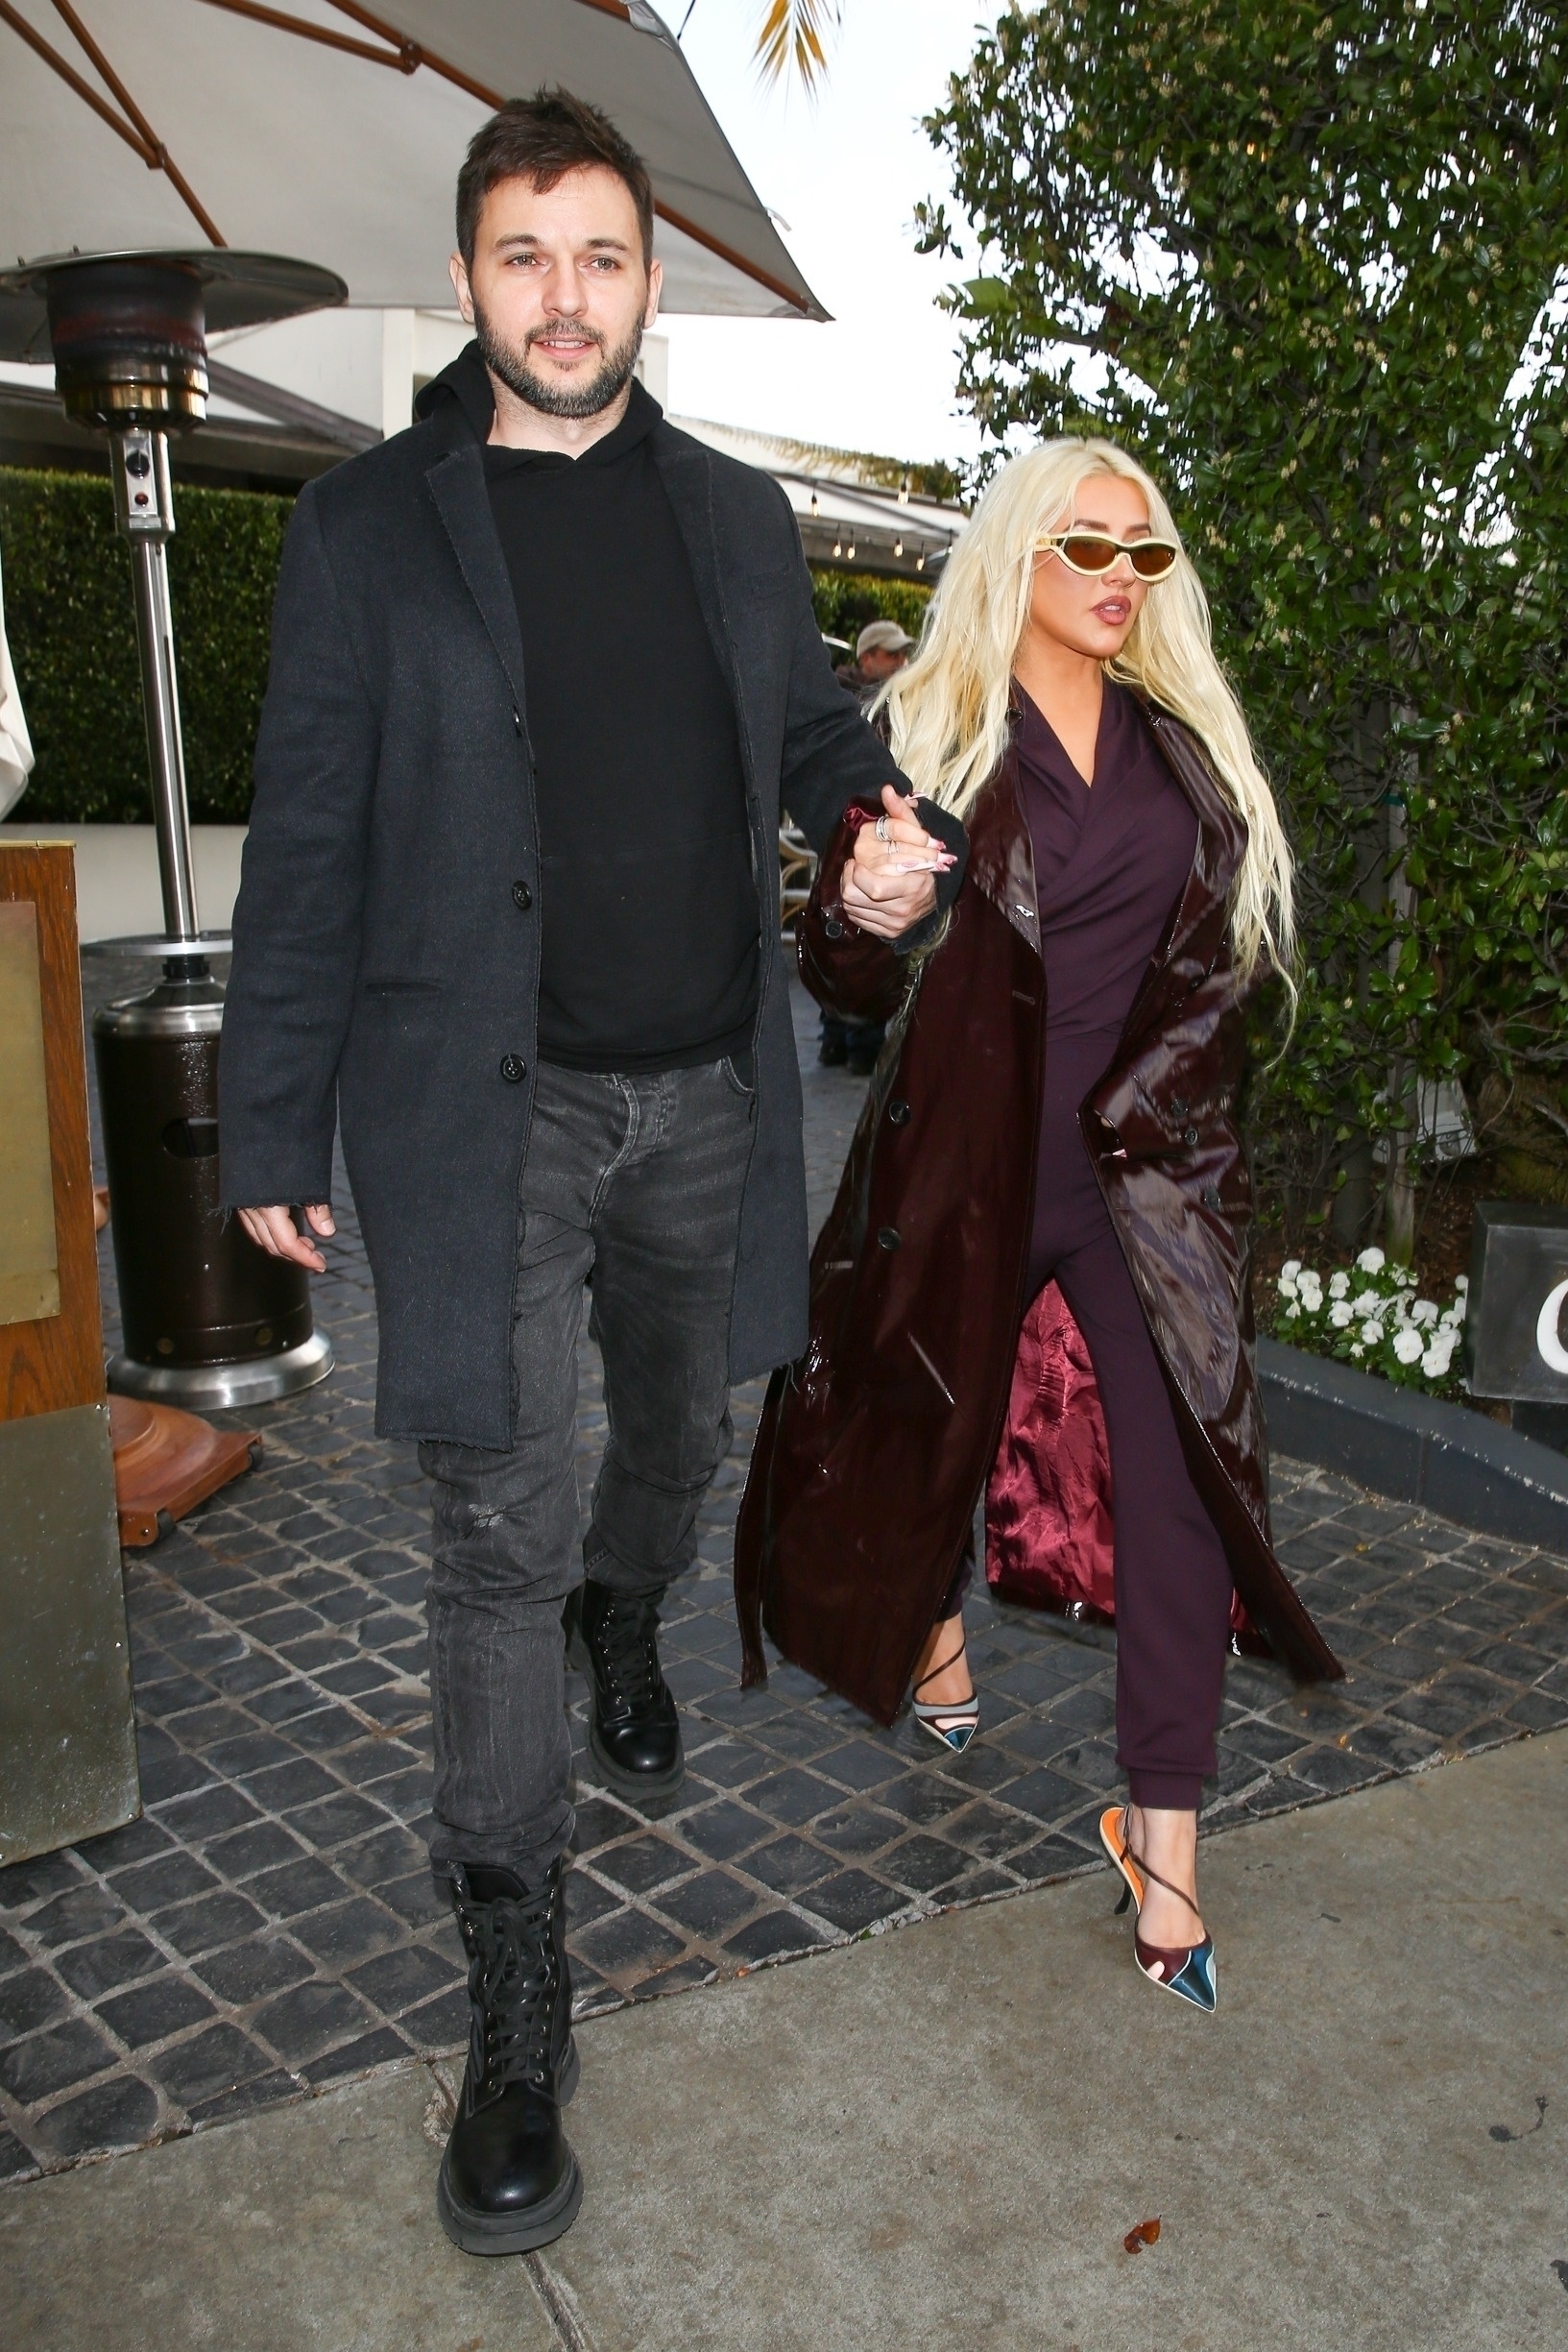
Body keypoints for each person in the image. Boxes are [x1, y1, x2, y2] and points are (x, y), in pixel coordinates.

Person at [219, 89, 962, 2255]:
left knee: (675, 1446)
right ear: (469, 275)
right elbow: (311, 837)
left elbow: (813, 734)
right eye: (524, 255)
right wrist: (269, 1118)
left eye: (602, 257)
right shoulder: (366, 530)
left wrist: (879, 823)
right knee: (492, 1516)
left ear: (649, 281)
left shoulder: (732, 518)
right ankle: (517, 1981)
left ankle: (628, 1603)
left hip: (707, 1090)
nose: (565, 296)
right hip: (484, 1104)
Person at [736, 436, 1342, 2020]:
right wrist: (855, 912)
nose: (1117, 577)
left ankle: (1164, 1840)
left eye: (1142, 551)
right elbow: (842, 968)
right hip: (969, 1174)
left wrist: (1176, 1125)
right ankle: (933, 1610)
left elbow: (1218, 978)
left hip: (1147, 1184)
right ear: (1017, 553)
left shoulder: (1182, 746)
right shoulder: (933, 732)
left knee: (1183, 1490)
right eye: (1084, 544)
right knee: (927, 1422)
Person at [819, 618, 916, 1072]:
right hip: (857, 834)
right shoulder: (855, 706)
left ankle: (838, 1041)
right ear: (868, 657)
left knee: (844, 934)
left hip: (851, 835)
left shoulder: (858, 701)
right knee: (863, 937)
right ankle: (857, 1045)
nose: (901, 660)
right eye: (892, 653)